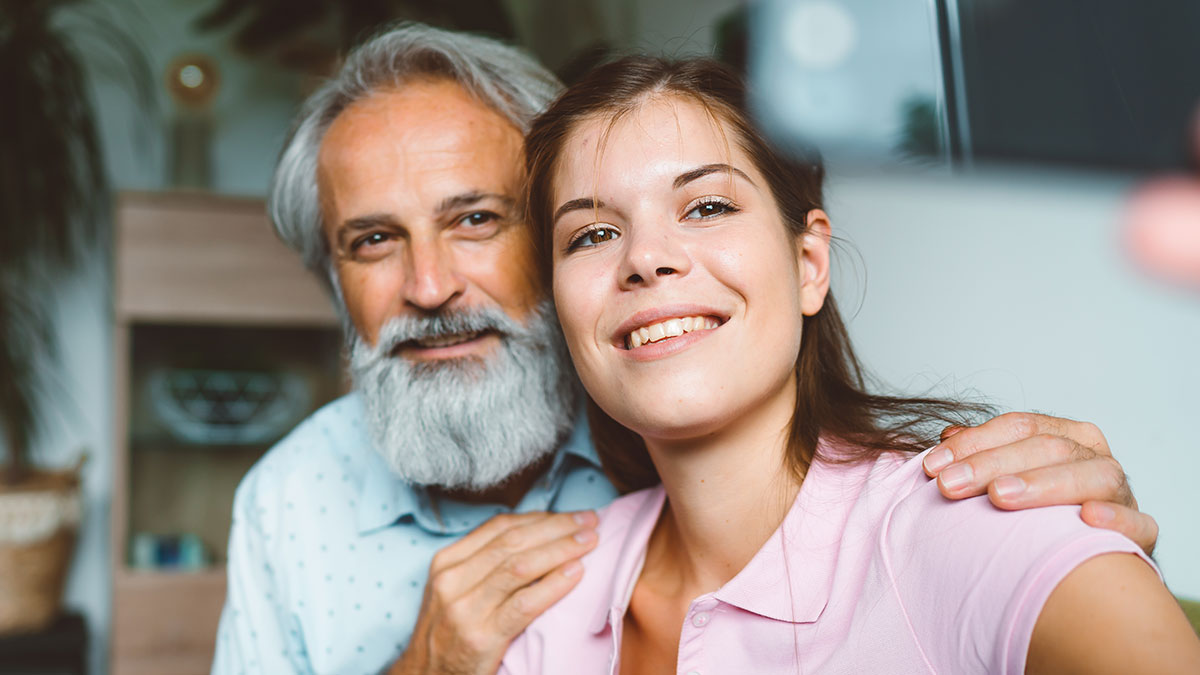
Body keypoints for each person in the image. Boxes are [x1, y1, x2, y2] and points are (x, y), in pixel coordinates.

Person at [212, 24, 1161, 675]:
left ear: (809, 259)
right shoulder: (294, 506)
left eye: (476, 219)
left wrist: (1061, 534)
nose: (429, 285)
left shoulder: (948, 519)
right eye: (372, 240)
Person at [503, 55, 1200, 674]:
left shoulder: (975, 517)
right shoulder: (547, 596)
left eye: (707, 205)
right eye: (592, 233)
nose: (646, 258)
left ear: (809, 264)